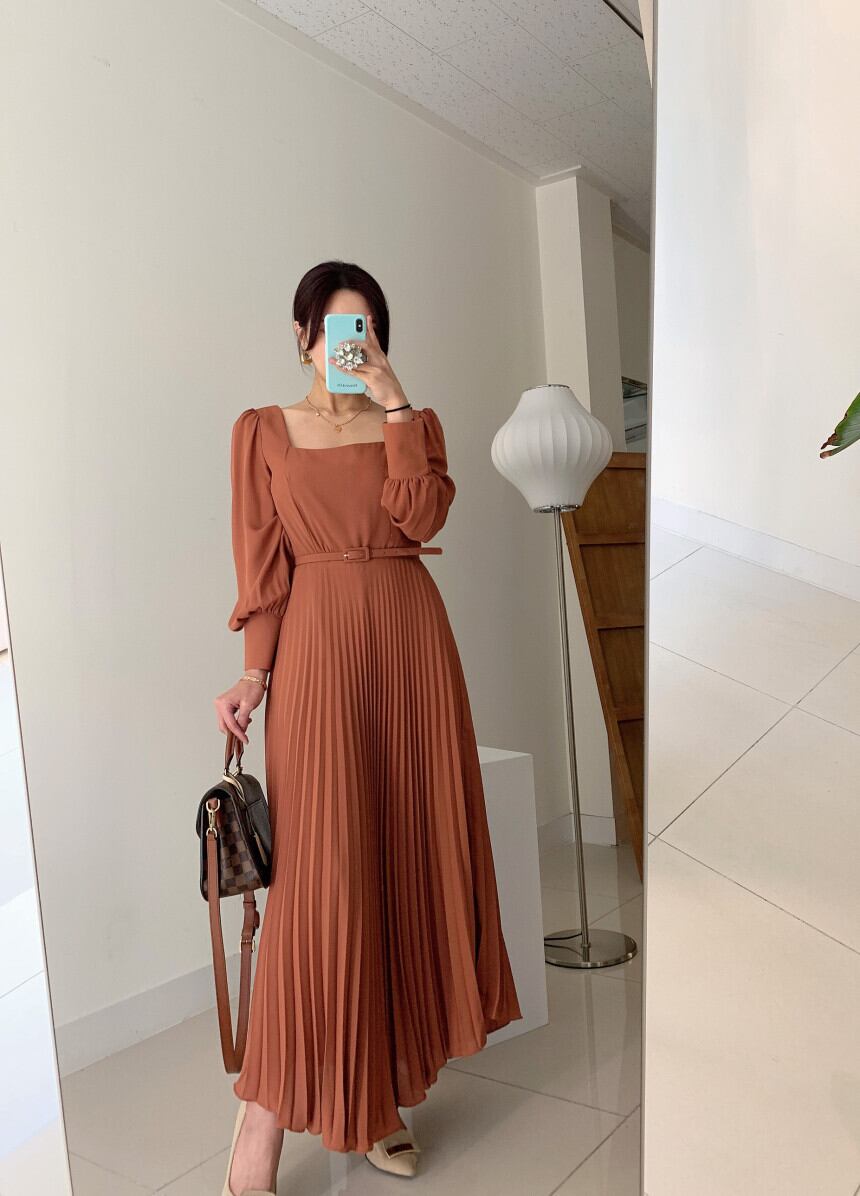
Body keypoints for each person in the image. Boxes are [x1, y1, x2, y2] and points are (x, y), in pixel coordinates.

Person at [214, 260, 522, 1195]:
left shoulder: (411, 424)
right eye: (337, 330)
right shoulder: (263, 432)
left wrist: (394, 404)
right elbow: (265, 567)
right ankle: (261, 1122)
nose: (351, 347)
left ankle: (382, 1100)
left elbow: (421, 514)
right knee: (323, 880)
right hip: (317, 655)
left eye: (369, 331)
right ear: (302, 336)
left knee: (403, 859)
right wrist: (254, 675)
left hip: (410, 647)